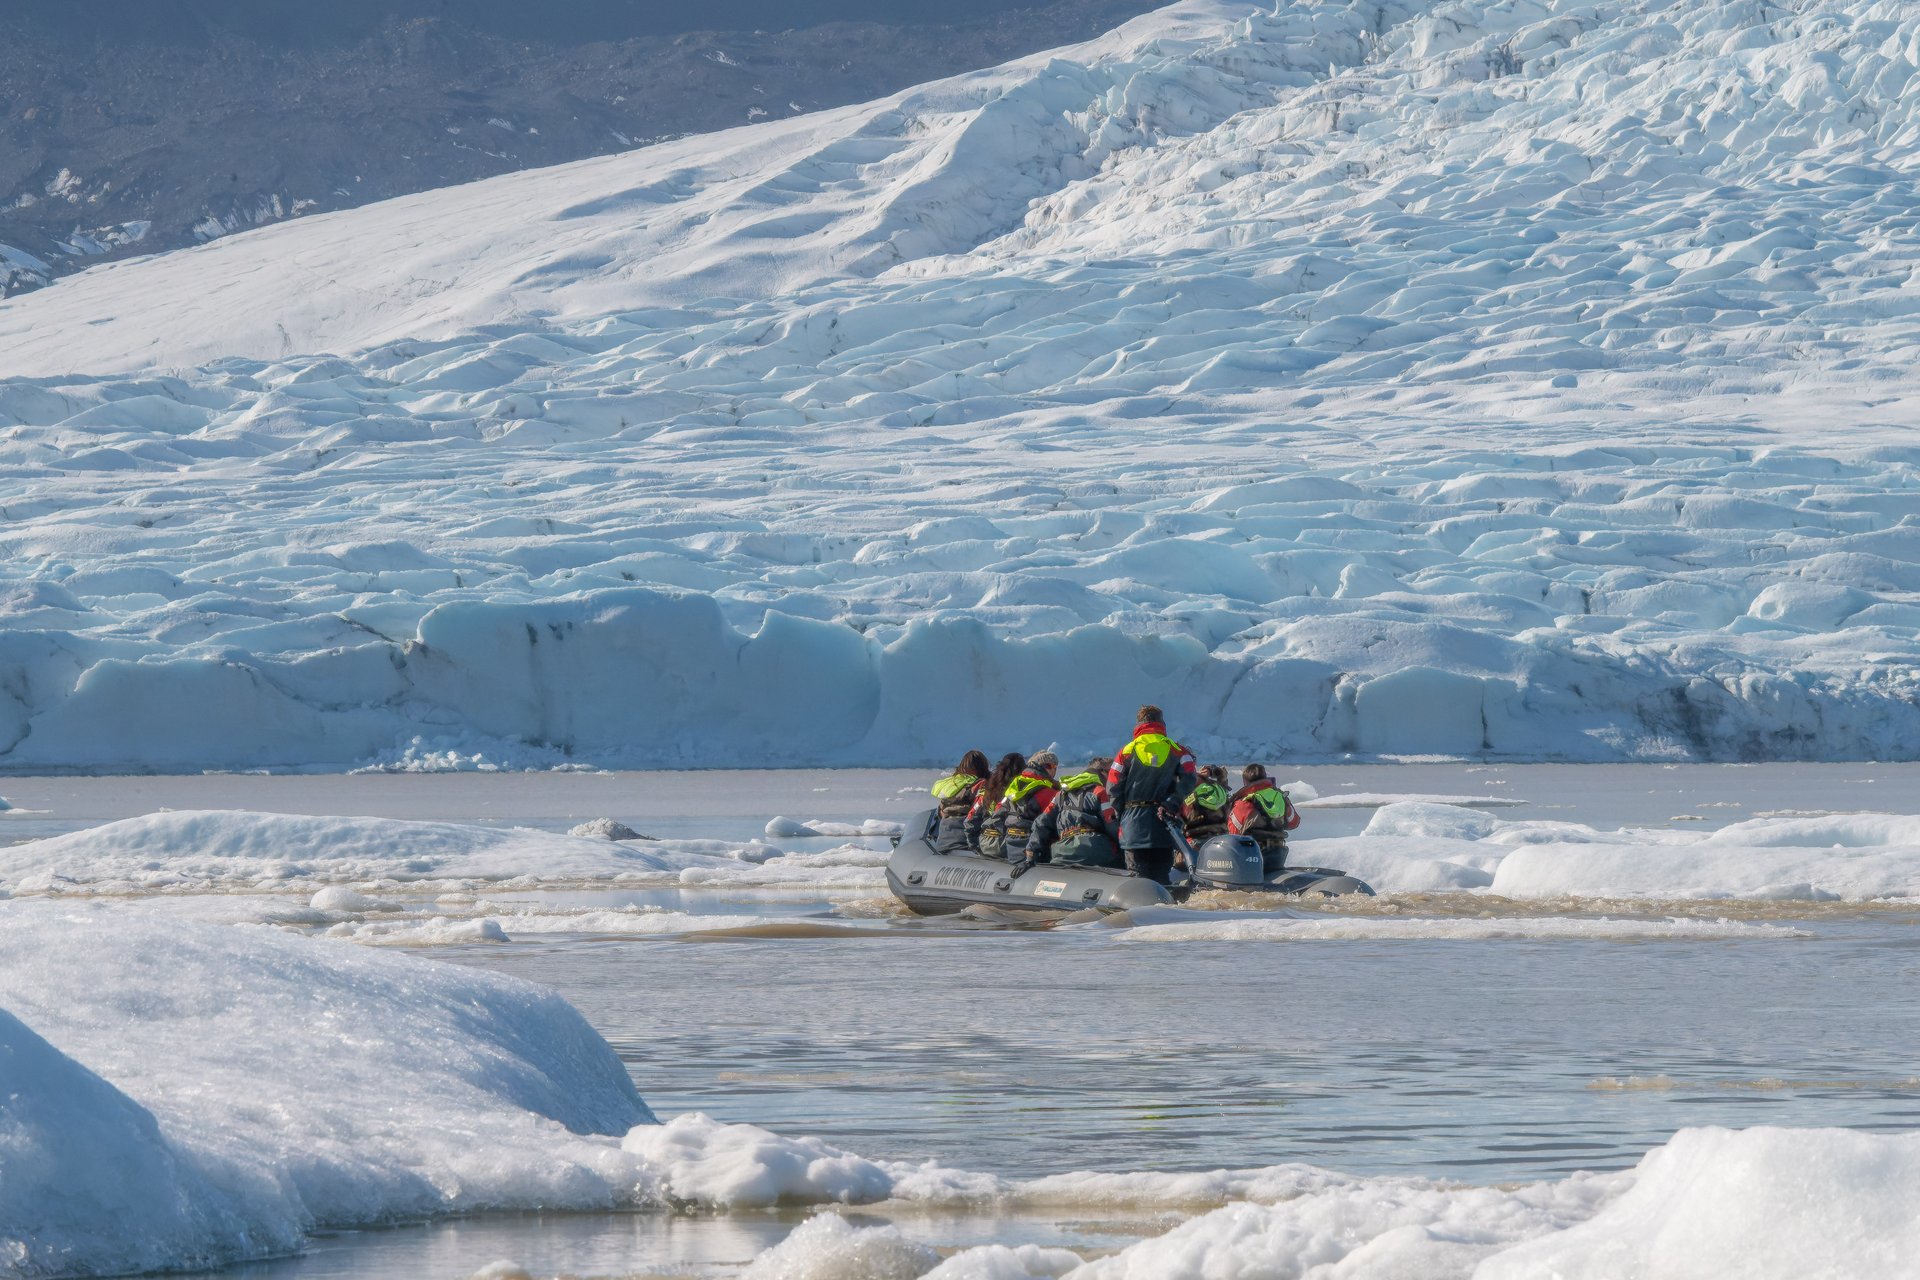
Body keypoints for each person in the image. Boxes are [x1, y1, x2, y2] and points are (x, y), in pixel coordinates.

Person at [1105, 704, 1197, 885]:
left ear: (1139, 724)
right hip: (1163, 824)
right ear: (1161, 723)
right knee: (1162, 878)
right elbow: (1190, 779)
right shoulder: (1177, 750)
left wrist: (1122, 814)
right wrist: (1173, 802)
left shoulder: (1126, 751)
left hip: (1133, 825)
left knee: (1137, 880)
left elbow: (1112, 788)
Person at [1022, 756, 1121, 870]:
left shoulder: (1061, 794)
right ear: (1103, 773)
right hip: (1094, 850)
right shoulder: (1099, 791)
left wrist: (1030, 855)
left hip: (1062, 853)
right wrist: (1127, 846)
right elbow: (1112, 824)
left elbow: (1041, 823)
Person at [980, 751, 1059, 863]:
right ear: (1043, 768)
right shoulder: (1048, 792)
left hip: (1011, 848)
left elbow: (997, 815)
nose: (1054, 770)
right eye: (1051, 766)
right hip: (1034, 854)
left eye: (1056, 767)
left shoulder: (1013, 788)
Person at [1228, 763, 1300, 875]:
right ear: (1265, 777)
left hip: (1253, 857)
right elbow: (1294, 822)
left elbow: (1233, 835)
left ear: (1245, 782)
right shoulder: (1280, 797)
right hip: (1278, 854)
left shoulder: (1243, 804)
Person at [929, 750, 990, 854]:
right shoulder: (981, 786)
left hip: (943, 842)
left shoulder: (951, 784)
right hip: (966, 845)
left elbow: (940, 813)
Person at [966, 751, 1025, 854]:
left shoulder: (986, 790)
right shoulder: (1019, 792)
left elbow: (970, 819)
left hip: (986, 844)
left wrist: (973, 845)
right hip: (1007, 847)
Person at [1181, 765, 1232, 847]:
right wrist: (1219, 776)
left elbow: (1180, 814)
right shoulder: (1221, 791)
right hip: (1221, 842)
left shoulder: (1190, 797)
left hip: (1194, 843)